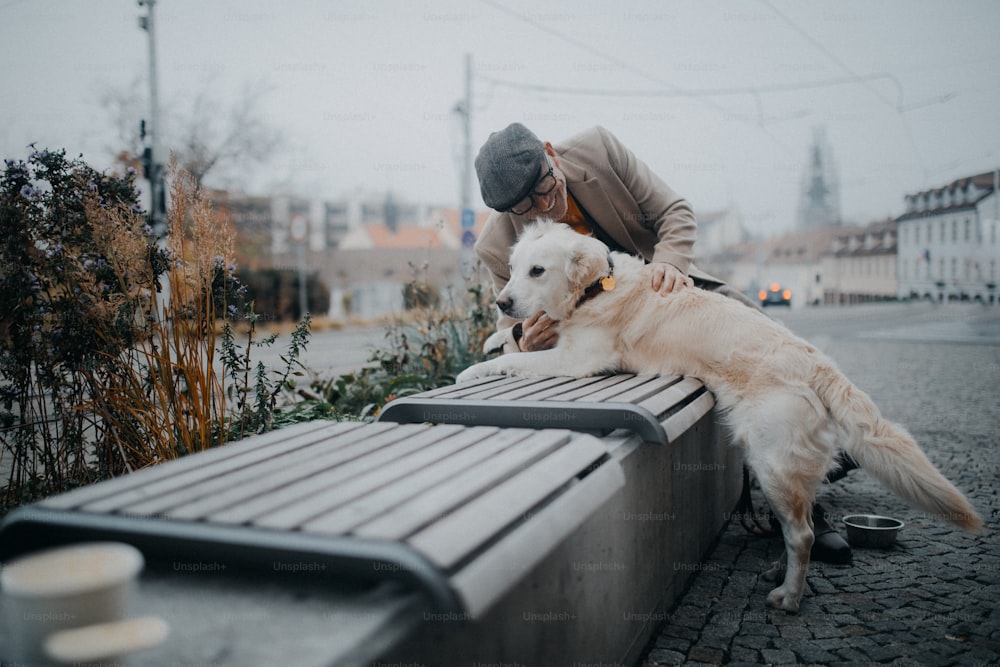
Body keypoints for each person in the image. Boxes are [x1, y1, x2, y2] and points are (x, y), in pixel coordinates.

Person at [473, 122, 853, 564]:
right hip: (600, 331)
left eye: (545, 186)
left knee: (762, 342)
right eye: (525, 207)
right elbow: (509, 326)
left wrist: (670, 265)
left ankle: (816, 486)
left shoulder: (598, 149)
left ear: (551, 154)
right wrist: (524, 338)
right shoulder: (496, 244)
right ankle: (812, 475)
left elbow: (675, 212)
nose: (545, 205)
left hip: (663, 293)